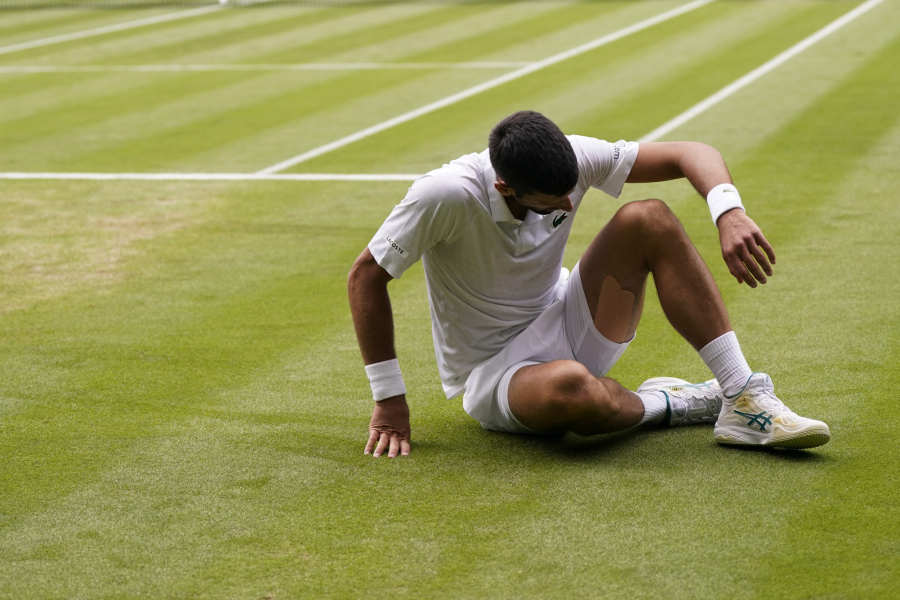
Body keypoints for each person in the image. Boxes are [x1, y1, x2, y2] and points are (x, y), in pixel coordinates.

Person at [348, 110, 830, 458]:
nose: (566, 206)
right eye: (551, 202)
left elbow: (691, 153)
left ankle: (742, 394)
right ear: (505, 188)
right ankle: (673, 402)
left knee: (649, 218)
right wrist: (388, 399)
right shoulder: (444, 195)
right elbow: (365, 277)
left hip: (569, 314)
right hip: (495, 373)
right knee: (573, 389)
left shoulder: (576, 158)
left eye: (569, 194)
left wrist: (729, 213)